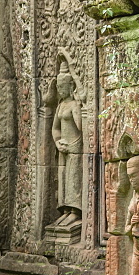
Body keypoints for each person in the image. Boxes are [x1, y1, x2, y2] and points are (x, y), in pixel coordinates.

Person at [49, 61, 83, 227]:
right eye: (58, 86)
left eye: (63, 86)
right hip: (63, 147)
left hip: (75, 146)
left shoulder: (74, 104)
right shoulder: (61, 105)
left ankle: (75, 211)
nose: (60, 90)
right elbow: (55, 128)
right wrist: (57, 142)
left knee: (73, 178)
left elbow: (81, 127)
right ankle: (66, 210)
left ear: (70, 86)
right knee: (63, 179)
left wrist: (79, 108)